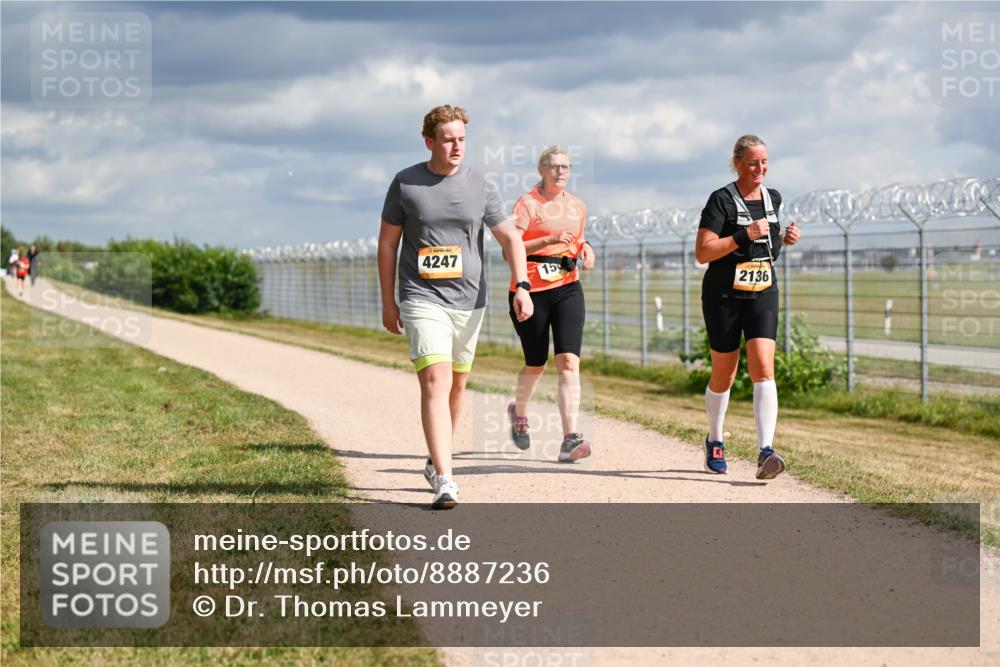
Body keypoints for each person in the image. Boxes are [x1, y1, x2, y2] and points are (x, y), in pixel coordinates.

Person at [378, 105, 533, 509]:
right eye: (448, 140)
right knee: (436, 379)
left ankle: (435, 460)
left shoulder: (479, 184)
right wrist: (388, 301)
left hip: (469, 300)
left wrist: (522, 285)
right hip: (421, 296)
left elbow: (510, 237)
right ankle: (446, 480)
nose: (457, 146)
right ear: (429, 141)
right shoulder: (406, 183)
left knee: (457, 386)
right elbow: (388, 244)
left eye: (462, 139)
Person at [694, 135, 800, 479]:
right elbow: (703, 252)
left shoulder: (773, 198)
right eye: (753, 162)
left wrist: (783, 240)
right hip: (723, 294)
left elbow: (767, 247)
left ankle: (766, 451)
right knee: (724, 373)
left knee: (764, 366)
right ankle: (715, 440)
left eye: (764, 162)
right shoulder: (721, 200)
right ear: (737, 162)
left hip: (763, 290)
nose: (760, 168)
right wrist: (743, 235)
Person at [505, 146, 595, 462]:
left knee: (569, 361)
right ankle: (519, 412)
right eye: (555, 166)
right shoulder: (527, 204)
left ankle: (570, 439)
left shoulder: (577, 205)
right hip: (530, 289)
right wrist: (546, 241)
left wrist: (586, 248)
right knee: (536, 362)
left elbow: (576, 239)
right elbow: (509, 248)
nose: (561, 172)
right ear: (542, 170)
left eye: (566, 167)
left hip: (568, 287)